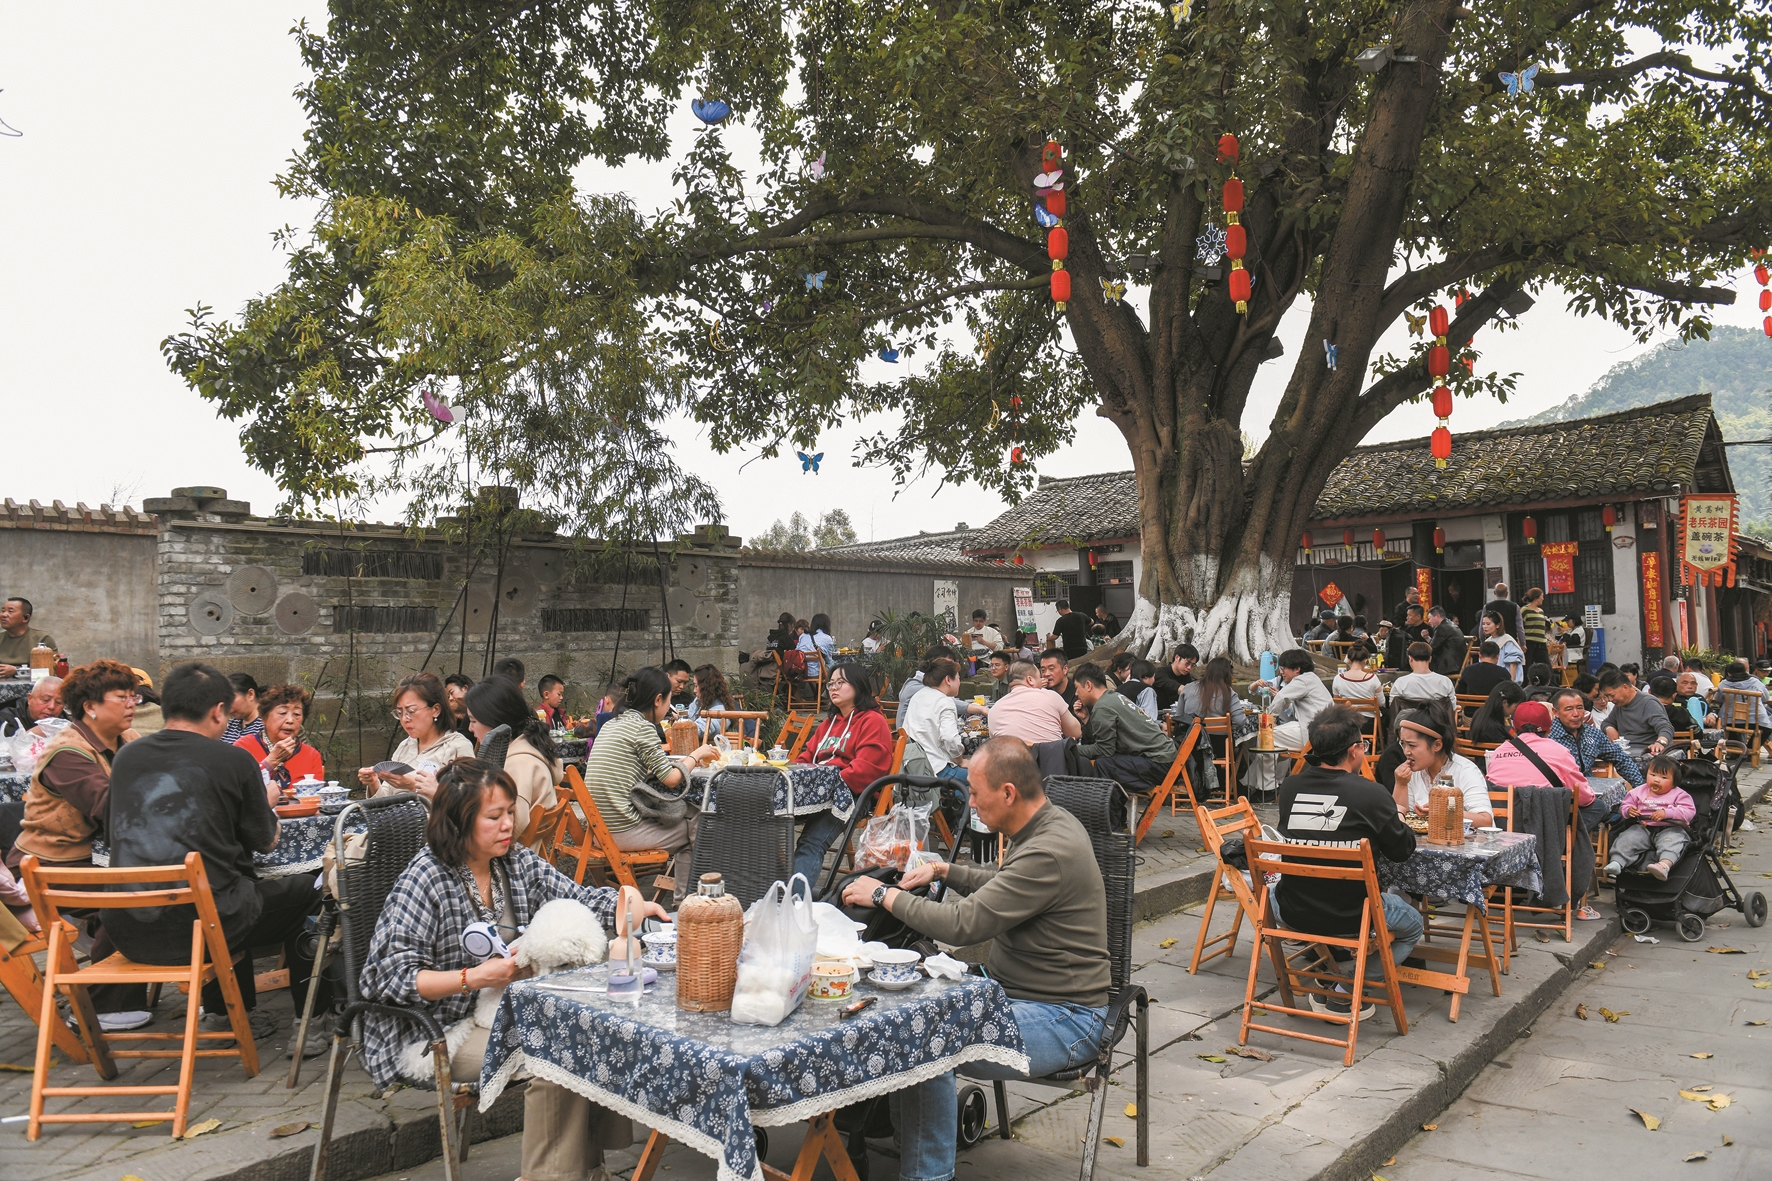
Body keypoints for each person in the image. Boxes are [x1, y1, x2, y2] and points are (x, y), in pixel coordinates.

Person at [359, 759, 651, 1177]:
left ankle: (588, 1170)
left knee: (593, 1029)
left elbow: (580, 898)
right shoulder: (425, 878)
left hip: (507, 1010)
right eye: (494, 816)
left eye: (510, 812)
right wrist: (475, 977)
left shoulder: (514, 862)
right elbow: (388, 978)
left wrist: (633, 903)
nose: (508, 825)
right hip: (442, 1028)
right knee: (555, 1057)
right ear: (459, 822)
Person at [839, 737, 1109, 1181]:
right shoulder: (1045, 824)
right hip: (1016, 994)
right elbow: (1006, 881)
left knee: (929, 1043)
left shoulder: (1049, 848)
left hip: (1068, 1018)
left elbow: (962, 925)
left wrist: (883, 894)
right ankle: (905, 1140)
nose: (972, 803)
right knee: (907, 1007)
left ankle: (926, 1174)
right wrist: (945, 870)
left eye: (977, 793)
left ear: (1008, 793)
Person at [104, 661, 332, 1058]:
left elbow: (116, 832)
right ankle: (311, 1022)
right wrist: (267, 801)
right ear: (217, 711)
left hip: (130, 928)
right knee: (312, 891)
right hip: (204, 929)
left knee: (228, 887)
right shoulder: (232, 760)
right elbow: (266, 841)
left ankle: (224, 1015)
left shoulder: (126, 757)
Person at [1272, 707, 1423, 1015]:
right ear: (1354, 750)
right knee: (1413, 926)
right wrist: (1396, 815)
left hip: (1292, 909)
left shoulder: (1289, 788)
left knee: (1272, 891)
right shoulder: (1371, 794)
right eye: (1363, 745)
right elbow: (1402, 850)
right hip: (1353, 915)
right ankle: (1350, 986)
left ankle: (1331, 973)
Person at [583, 667, 717, 897]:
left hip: (598, 829)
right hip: (620, 832)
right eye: (668, 701)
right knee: (698, 826)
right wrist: (697, 754)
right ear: (657, 700)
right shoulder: (643, 727)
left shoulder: (612, 723)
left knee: (688, 814)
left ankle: (686, 899)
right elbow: (672, 780)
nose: (668, 708)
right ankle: (689, 900)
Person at [9, 661, 138, 871]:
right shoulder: (67, 751)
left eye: (133, 697)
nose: (131, 704)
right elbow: (110, 807)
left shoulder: (129, 738)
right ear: (90, 707)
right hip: (50, 864)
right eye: (122, 697)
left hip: (100, 857)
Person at [791, 663, 894, 882]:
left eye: (841, 682)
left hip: (853, 794)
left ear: (858, 685)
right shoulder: (828, 723)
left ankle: (794, 900)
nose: (833, 688)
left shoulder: (873, 721)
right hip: (816, 794)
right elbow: (806, 757)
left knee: (811, 842)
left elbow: (866, 769)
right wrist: (792, 775)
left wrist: (828, 786)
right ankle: (765, 889)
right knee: (768, 823)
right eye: (831, 683)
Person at [464, 675, 563, 845]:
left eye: (473, 721)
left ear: (495, 720)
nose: (470, 728)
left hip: (508, 857)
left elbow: (511, 825)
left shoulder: (518, 764)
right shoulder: (529, 749)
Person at [359, 672, 475, 799]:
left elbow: (469, 801)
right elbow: (385, 801)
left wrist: (414, 786)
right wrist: (374, 783)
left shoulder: (457, 746)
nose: (405, 719)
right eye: (400, 712)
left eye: (411, 711)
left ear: (435, 710)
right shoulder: (404, 746)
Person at [1069, 665, 1177, 793]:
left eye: (1077, 688)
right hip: (1166, 758)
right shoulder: (1114, 697)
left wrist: (1071, 748)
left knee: (1103, 764)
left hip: (1158, 763)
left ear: (1088, 685)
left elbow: (1104, 750)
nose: (1076, 694)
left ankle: (1107, 805)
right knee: (1108, 763)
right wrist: (1087, 719)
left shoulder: (1103, 707)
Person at [1392, 703, 1493, 826]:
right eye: (1403, 744)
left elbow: (1485, 820)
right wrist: (1401, 784)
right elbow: (1397, 824)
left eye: (1412, 745)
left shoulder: (1465, 770)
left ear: (1437, 745)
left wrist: (1442, 811)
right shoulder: (1410, 773)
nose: (1406, 751)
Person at [1602, 755, 1695, 881]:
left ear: (1674, 782)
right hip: (1643, 827)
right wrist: (1629, 811)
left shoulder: (1679, 794)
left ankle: (1664, 865)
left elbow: (1689, 812)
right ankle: (1617, 862)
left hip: (1670, 828)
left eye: (1663, 777)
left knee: (1674, 841)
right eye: (1653, 775)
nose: (1656, 780)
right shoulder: (1638, 792)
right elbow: (1624, 806)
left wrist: (1667, 813)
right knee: (1628, 838)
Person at [233, 684, 324, 793]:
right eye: (282, 713)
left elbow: (316, 798)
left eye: (297, 714)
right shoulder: (243, 747)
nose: (290, 720)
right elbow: (236, 789)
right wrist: (270, 762)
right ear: (263, 718)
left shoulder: (312, 755)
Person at [1484, 700, 1589, 794]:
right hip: (1546, 809)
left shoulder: (1498, 752)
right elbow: (1583, 796)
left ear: (1514, 729)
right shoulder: (1560, 752)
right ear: (1549, 729)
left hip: (1501, 808)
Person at [1548, 686, 1643, 787]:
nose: (1576, 714)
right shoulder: (1547, 736)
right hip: (1558, 789)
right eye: (1569, 709)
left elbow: (1620, 758)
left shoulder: (1592, 733)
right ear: (1556, 712)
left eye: (1579, 708)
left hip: (1589, 787)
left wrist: (1640, 788)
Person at [1250, 648, 1334, 754]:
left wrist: (1268, 721)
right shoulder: (1312, 678)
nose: (1281, 672)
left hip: (1316, 732)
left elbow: (1281, 697)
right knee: (1276, 737)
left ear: (1297, 669)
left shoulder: (1302, 680)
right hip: (1327, 730)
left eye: (1284, 668)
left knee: (1265, 734)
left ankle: (1265, 766)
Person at [901, 657, 970, 784]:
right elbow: (950, 738)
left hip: (912, 766)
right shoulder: (945, 702)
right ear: (948, 680)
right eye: (958, 678)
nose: (959, 682)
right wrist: (960, 760)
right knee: (986, 778)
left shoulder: (918, 696)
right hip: (937, 769)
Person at [988, 660, 1082, 744]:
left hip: (1013, 757)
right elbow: (1076, 733)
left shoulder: (994, 709)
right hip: (1051, 757)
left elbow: (996, 745)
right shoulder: (1051, 697)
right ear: (1030, 680)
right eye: (1039, 678)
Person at [1598, 668, 1673, 760]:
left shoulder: (1649, 703)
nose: (1610, 700)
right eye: (1607, 696)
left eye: (1612, 695)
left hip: (1646, 752)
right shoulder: (1620, 705)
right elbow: (1607, 722)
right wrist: (1609, 728)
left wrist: (1660, 742)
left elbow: (1665, 727)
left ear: (1625, 687)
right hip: (1625, 752)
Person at [1390, 641, 1458, 716]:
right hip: (1437, 722)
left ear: (1410, 658)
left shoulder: (1400, 683)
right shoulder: (1445, 682)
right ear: (1430, 659)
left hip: (1408, 722)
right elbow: (1452, 707)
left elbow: (1393, 706)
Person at [0, 596, 56, 677]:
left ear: (26, 618)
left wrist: (17, 671)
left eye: (10, 611)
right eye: (3, 611)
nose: (4, 615)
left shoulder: (42, 639)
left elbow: (50, 671)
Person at [1716, 659, 1772, 740]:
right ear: (1745, 671)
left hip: (1730, 720)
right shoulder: (1756, 682)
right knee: (1767, 729)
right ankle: (1750, 747)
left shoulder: (1724, 683)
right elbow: (1765, 698)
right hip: (1756, 720)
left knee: (1731, 731)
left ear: (1729, 673)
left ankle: (1735, 746)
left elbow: (1718, 698)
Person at [1466, 681, 1525, 745]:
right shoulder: (1494, 728)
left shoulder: (1480, 713)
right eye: (1516, 706)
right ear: (1505, 703)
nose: (1516, 710)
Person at [1478, 611, 1525, 683]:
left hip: (1505, 680)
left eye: (1488, 624)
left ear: (1497, 625)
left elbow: (1513, 664)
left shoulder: (1507, 640)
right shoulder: (1488, 641)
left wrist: (1510, 683)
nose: (1485, 626)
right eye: (1483, 624)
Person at [1152, 643, 1198, 713]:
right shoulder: (1159, 673)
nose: (1189, 668)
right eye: (1187, 663)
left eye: (1192, 665)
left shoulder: (1186, 676)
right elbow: (1173, 686)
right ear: (1177, 657)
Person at [1648, 676, 1696, 741]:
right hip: (1679, 746)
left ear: (1649, 692)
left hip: (1647, 746)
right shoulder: (1681, 713)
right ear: (1674, 695)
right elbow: (1698, 733)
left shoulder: (1642, 711)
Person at [221, 672, 264, 745]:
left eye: (230, 699)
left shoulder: (265, 726)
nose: (227, 706)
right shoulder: (231, 724)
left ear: (250, 694)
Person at [1426, 605, 1466, 677]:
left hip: (1448, 666)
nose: (1429, 621)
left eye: (1430, 618)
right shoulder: (1449, 624)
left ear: (1437, 616)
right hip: (1456, 663)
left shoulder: (1442, 628)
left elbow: (1431, 648)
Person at [443, 672, 475, 738]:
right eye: (448, 696)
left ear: (465, 688)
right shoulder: (456, 718)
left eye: (452, 692)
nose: (450, 699)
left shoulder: (478, 706)